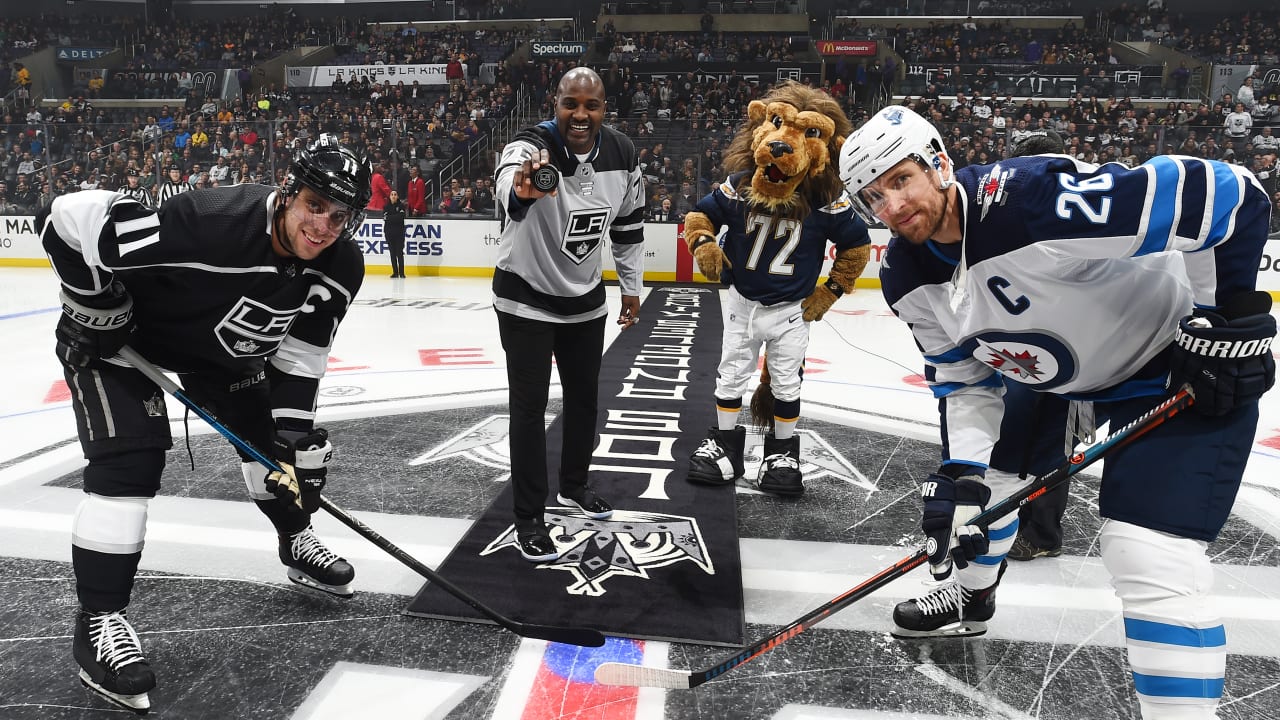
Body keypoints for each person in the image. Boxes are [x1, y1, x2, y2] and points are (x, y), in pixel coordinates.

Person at [838, 106, 1274, 719]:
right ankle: (970, 599)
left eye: (900, 179)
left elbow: (1229, 194)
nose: (891, 206)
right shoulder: (905, 274)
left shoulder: (1032, 202)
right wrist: (960, 474)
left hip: (1168, 368)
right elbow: (965, 380)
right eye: (872, 197)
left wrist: (1229, 314)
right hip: (1056, 378)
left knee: (1148, 554)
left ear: (938, 163)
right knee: (982, 494)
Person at [41, 133, 372, 714]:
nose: (322, 226)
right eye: (313, 205)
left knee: (273, 453)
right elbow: (66, 217)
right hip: (122, 347)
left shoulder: (341, 264)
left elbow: (298, 356)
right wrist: (97, 304)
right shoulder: (207, 224)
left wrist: (294, 439)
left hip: (218, 356)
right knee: (130, 466)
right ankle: (99, 622)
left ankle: (296, 541)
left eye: (338, 215)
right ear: (288, 193)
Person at [682, 80, 870, 497]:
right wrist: (703, 242)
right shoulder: (741, 182)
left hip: (791, 309)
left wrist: (832, 290)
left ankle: (781, 452)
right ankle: (725, 445)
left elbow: (856, 244)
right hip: (742, 302)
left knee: (786, 382)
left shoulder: (827, 197)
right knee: (729, 375)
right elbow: (700, 215)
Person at [492, 66, 645, 562]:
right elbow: (505, 182)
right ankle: (529, 517)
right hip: (525, 298)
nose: (580, 114)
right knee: (529, 408)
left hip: (585, 299)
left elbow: (627, 227)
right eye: (570, 104)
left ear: (604, 107)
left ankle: (574, 485)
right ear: (554, 104)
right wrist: (520, 191)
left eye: (591, 105)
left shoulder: (623, 153)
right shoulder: (529, 148)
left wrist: (631, 288)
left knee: (583, 401)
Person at [384, 189, 407, 277]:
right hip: (389, 233)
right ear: (390, 197)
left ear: (397, 196)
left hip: (399, 234)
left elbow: (401, 218)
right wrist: (395, 217)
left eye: (395, 194)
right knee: (392, 253)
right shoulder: (386, 207)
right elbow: (385, 218)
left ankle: (401, 273)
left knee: (399, 253)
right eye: (392, 194)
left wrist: (390, 218)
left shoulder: (401, 206)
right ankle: (395, 272)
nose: (393, 196)